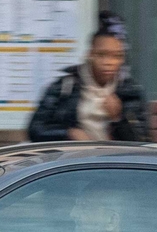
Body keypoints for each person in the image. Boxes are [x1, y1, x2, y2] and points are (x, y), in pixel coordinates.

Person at [27, 15, 148, 144]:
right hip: (75, 161)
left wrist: (118, 119)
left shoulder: (130, 92)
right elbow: (35, 129)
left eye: (116, 56)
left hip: (113, 161)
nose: (109, 62)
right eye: (101, 55)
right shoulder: (65, 87)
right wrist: (70, 133)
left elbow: (140, 143)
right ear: (90, 54)